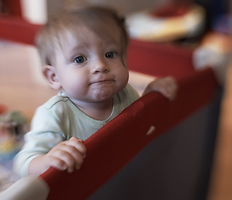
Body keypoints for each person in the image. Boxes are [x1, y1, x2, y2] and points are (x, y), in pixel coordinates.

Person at [13, 6, 178, 177]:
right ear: (54, 77)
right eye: (80, 59)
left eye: (110, 54)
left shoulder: (125, 93)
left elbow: (139, 128)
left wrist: (150, 98)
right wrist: (47, 160)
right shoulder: (54, 115)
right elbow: (23, 164)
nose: (100, 66)